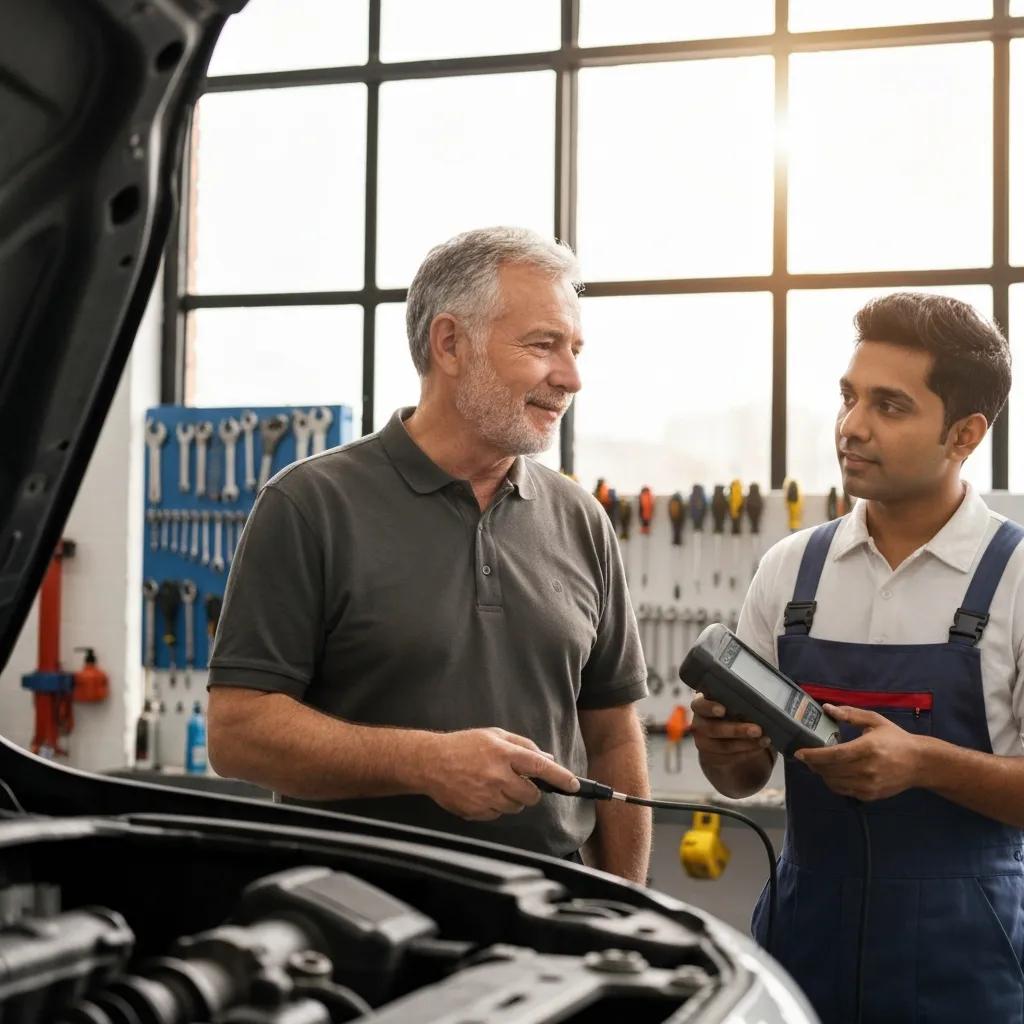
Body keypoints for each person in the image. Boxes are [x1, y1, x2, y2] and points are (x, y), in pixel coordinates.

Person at [206, 226, 651, 880]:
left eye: (576, 348)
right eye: (544, 344)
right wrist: (425, 762)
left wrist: (626, 910)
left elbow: (613, 735)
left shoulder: (580, 518)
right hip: (356, 923)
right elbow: (237, 734)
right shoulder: (309, 504)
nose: (572, 377)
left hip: (549, 924)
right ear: (450, 344)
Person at [690, 292, 1024, 1022]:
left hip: (965, 963)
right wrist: (725, 745)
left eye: (890, 406)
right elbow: (741, 780)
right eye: (848, 397)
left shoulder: (1019, 579)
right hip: (802, 948)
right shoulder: (790, 570)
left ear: (965, 434)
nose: (851, 427)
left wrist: (924, 763)